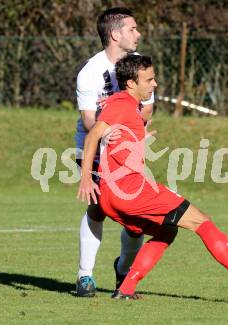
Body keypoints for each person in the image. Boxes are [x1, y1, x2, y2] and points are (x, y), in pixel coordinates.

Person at [77, 54, 228, 300]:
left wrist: (137, 140)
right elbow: (92, 136)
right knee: (201, 221)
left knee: (166, 232)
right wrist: (86, 178)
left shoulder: (126, 106)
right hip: (130, 190)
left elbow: (112, 141)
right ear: (131, 83)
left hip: (112, 195)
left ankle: (125, 289)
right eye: (149, 80)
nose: (154, 84)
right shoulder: (121, 104)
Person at [75, 7, 154, 297]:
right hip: (95, 152)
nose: (138, 34)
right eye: (132, 29)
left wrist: (132, 132)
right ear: (115, 34)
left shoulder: (139, 65)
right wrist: (113, 133)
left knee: (135, 220)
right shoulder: (90, 72)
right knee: (97, 208)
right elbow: (87, 121)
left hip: (128, 153)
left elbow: (147, 107)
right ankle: (85, 277)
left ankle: (123, 271)